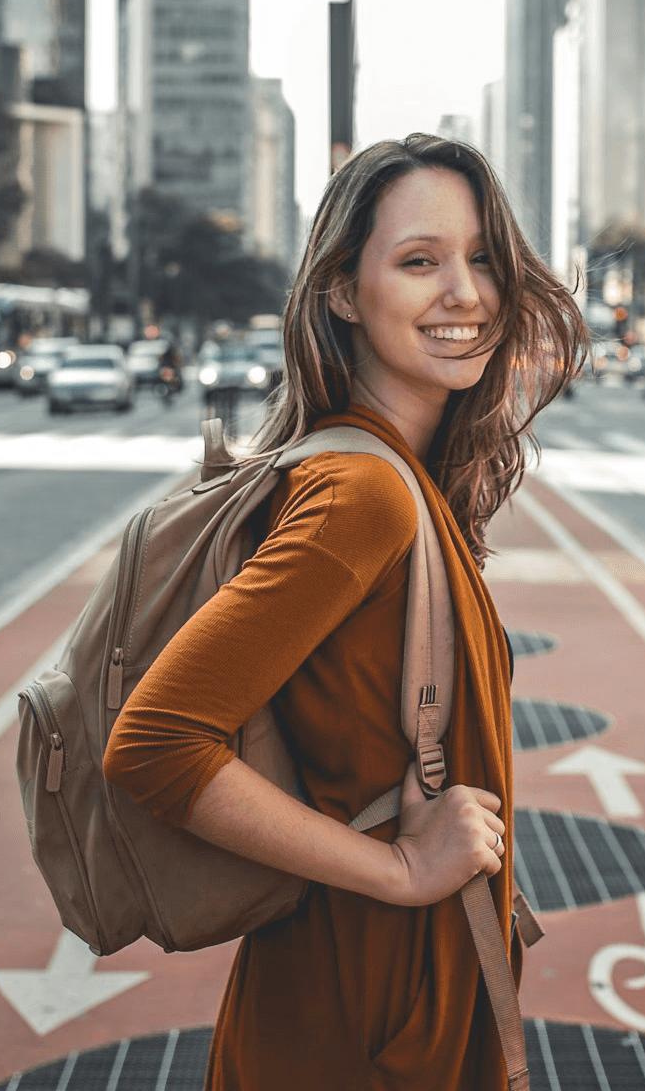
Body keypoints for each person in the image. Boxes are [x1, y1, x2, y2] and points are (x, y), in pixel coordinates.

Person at [103, 134, 585, 1089]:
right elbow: (153, 743)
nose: (466, 292)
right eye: (419, 260)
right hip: (362, 1010)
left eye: (482, 255)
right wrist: (403, 872)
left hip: (390, 990)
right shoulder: (359, 494)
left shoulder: (392, 476)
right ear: (338, 291)